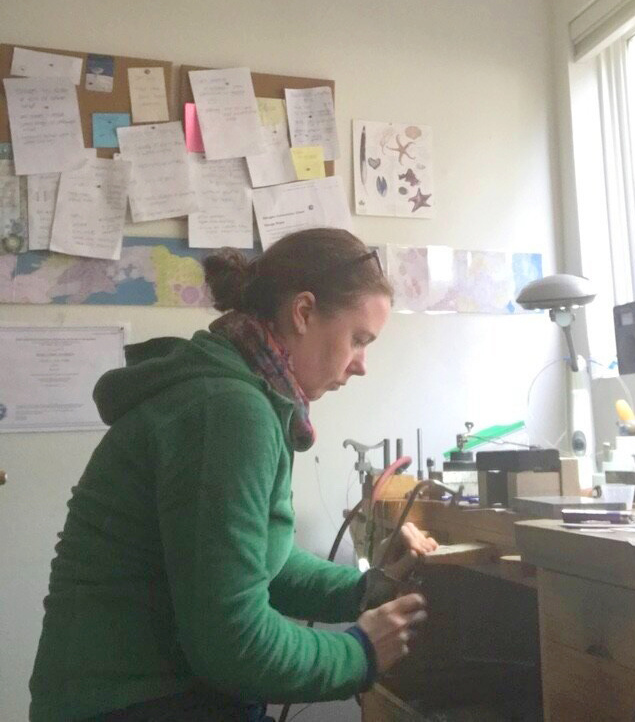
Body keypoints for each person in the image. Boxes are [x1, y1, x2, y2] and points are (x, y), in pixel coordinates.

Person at [30, 228, 436, 722]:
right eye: (358, 339)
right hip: (136, 703)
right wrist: (361, 652)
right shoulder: (228, 409)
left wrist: (368, 590)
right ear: (303, 313)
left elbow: (267, 563)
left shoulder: (242, 394)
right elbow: (232, 640)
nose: (361, 365)